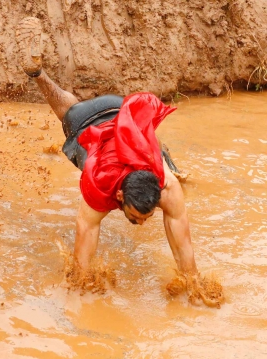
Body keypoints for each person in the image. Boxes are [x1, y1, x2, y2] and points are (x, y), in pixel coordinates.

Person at [15, 17, 199, 278]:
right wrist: (81, 284)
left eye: (145, 217)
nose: (142, 224)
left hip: (119, 108)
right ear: (120, 197)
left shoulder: (165, 186)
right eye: (137, 217)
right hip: (89, 121)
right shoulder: (99, 190)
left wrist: (192, 280)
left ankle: (38, 74)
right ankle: (37, 74)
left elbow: (180, 232)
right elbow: (86, 233)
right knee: (70, 116)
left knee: (146, 146)